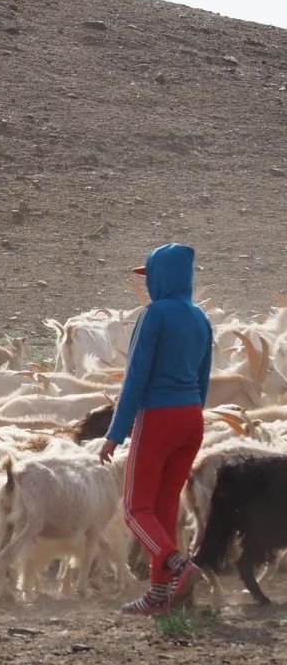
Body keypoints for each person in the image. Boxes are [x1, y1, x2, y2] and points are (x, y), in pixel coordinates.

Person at [98, 243, 213, 615]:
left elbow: (135, 377)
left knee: (134, 509)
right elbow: (203, 378)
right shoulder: (201, 318)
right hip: (192, 417)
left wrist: (116, 431)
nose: (148, 285)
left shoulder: (154, 315)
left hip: (158, 415)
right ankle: (160, 595)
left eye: (150, 277)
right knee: (163, 509)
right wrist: (190, 412)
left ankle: (180, 566)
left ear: (161, 276)